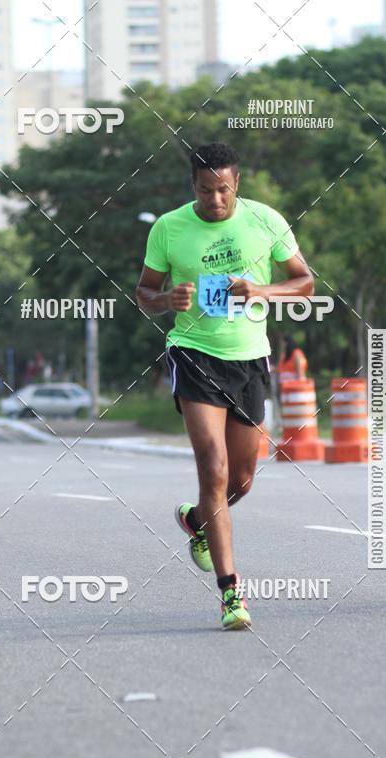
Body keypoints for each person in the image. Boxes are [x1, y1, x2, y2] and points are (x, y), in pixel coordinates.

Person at [136, 142, 313, 629]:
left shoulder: (265, 221)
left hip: (249, 359)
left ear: (236, 184)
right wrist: (166, 298)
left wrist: (262, 290)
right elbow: (144, 294)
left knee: (241, 481)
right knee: (213, 471)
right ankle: (231, 596)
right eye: (205, 191)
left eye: (223, 190)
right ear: (192, 185)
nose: (215, 200)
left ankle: (196, 522)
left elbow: (305, 283)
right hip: (193, 355)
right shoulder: (169, 228)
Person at [277, 335, 308, 402]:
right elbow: (281, 369)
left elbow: (300, 371)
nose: (282, 345)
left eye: (282, 343)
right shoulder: (284, 355)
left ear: (287, 343)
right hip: (284, 388)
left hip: (294, 386)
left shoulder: (296, 353)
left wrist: (301, 386)